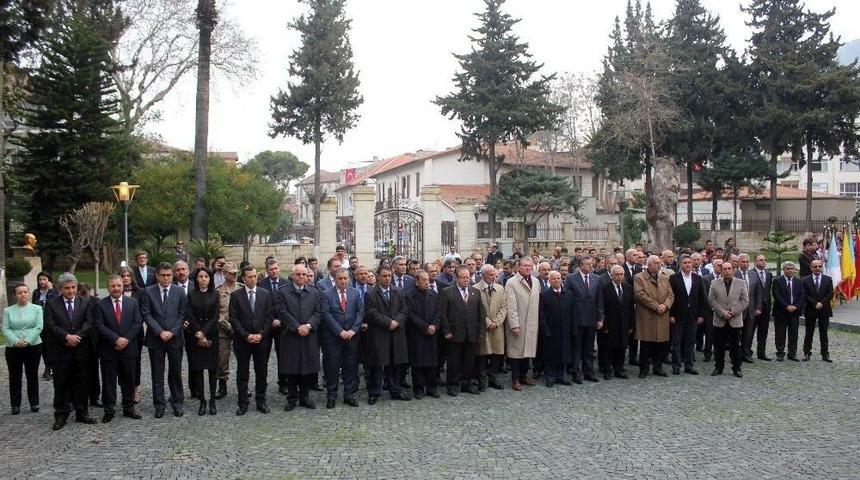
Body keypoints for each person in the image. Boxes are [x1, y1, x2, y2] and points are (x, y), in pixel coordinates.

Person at [43, 272, 97, 430]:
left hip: (80, 349)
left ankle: (82, 412)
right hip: (61, 349)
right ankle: (61, 413)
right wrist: (66, 336)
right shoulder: (52, 304)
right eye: (67, 288)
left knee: (82, 381)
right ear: (60, 289)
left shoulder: (84, 302)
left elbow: (89, 322)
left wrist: (77, 336)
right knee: (61, 382)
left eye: (73, 287)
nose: (71, 291)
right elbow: (50, 325)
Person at [90, 275, 143, 422]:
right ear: (108, 287)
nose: (116, 288)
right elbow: (99, 325)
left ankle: (128, 407)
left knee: (129, 380)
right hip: (109, 349)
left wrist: (126, 339)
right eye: (113, 286)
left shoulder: (133, 303)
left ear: (123, 286)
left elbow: (137, 322)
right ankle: (109, 409)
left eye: (118, 285)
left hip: (129, 348)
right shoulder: (101, 305)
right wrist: (116, 339)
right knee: (109, 381)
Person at [140, 262, 188, 418]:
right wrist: (160, 331)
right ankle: (159, 405)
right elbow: (146, 314)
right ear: (157, 276)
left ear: (172, 275)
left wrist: (172, 332)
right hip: (156, 338)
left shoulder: (179, 291)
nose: (166, 278)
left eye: (169, 275)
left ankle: (177, 402)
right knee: (157, 373)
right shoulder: (148, 292)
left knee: (176, 372)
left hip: (175, 339)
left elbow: (182, 314)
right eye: (163, 275)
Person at [229, 265, 274, 415]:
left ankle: (261, 401)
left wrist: (261, 334)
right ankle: (243, 403)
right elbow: (234, 318)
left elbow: (269, 317)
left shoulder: (265, 294)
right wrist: (246, 335)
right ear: (243, 278)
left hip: (261, 341)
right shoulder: (236, 296)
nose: (253, 279)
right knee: (243, 373)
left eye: (255, 276)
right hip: (243, 341)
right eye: (250, 277)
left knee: (261, 372)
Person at [278, 264, 322, 411]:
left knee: (307, 367)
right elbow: (282, 312)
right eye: (298, 274)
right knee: (291, 368)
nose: (301, 277)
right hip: (291, 335)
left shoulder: (314, 292)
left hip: (309, 335)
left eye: (304, 274)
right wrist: (297, 326)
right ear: (292, 275)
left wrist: (308, 326)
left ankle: (304, 396)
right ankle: (292, 397)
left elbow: (318, 312)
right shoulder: (283, 292)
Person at [363, 266, 410, 404]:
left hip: (396, 333)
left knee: (395, 363)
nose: (387, 278)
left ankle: (395, 390)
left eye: (389, 276)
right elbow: (371, 313)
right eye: (384, 276)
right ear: (378, 276)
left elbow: (404, 309)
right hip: (379, 333)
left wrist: (397, 321)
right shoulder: (370, 294)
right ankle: (374, 392)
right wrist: (388, 322)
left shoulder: (399, 291)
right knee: (377, 365)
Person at [438, 266, 485, 396]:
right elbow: (443, 314)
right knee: (454, 361)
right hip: (454, 334)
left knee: (469, 361)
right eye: (463, 277)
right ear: (456, 278)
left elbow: (481, 313)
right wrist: (446, 331)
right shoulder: (447, 292)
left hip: (471, 334)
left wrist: (481, 332)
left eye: (468, 277)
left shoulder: (475, 292)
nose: (466, 279)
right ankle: (452, 385)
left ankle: (466, 383)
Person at [321, 268, 364, 408]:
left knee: (350, 367)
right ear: (335, 279)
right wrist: (339, 331)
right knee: (332, 367)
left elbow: (360, 312)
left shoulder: (355, 293)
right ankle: (331, 395)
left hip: (351, 337)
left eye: (345, 278)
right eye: (340, 278)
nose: (343, 281)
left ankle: (349, 394)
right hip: (333, 338)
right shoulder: (327, 294)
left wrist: (353, 330)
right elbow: (326, 315)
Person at [4, 283, 43, 415]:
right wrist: (16, 341)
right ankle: (15, 405)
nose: (23, 295)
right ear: (14, 295)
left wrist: (27, 341)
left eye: (25, 292)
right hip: (13, 348)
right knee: (15, 376)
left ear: (28, 293)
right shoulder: (7, 311)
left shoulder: (37, 308)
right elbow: (5, 328)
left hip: (32, 346)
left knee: (32, 375)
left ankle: (34, 402)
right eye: (19, 292)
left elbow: (38, 327)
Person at [633, 256, 674, 379]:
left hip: (662, 315)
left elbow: (671, 294)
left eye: (659, 263)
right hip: (647, 316)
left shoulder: (664, 278)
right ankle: (644, 369)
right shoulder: (639, 277)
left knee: (660, 344)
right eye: (656, 263)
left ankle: (658, 367)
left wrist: (666, 305)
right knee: (646, 344)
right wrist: (656, 306)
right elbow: (640, 295)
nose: (659, 265)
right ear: (649, 264)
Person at [186, 267, 220, 416]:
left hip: (211, 334)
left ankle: (212, 400)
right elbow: (190, 315)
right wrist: (198, 333)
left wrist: (204, 332)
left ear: (210, 279)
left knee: (213, 369)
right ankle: (202, 401)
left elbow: (215, 316)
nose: (203, 279)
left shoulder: (215, 294)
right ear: (196, 279)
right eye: (201, 276)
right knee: (198, 369)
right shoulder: (191, 294)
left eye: (206, 276)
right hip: (196, 335)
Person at [707, 262, 749, 378]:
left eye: (729, 268)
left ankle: (736, 368)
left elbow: (744, 301)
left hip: (735, 320)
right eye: (724, 269)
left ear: (733, 270)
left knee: (735, 346)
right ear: (721, 271)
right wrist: (722, 312)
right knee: (718, 346)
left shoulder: (741, 283)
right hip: (719, 320)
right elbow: (711, 300)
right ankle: (718, 367)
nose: (727, 271)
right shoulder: (714, 283)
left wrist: (733, 311)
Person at [505, 257, 540, 390]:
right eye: (525, 265)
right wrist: (514, 324)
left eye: (530, 266)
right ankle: (515, 379)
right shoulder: (511, 282)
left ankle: (524, 376)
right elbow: (511, 306)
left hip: (531, 322)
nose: (528, 268)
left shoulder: (536, 281)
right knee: (516, 352)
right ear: (519, 267)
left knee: (528, 351)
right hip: (519, 322)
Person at [404, 270, 441, 399]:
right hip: (417, 333)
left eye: (427, 280)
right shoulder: (409, 295)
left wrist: (434, 326)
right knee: (418, 363)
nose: (426, 282)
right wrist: (425, 327)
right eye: (423, 280)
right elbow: (410, 315)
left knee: (432, 362)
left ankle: (432, 388)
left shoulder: (434, 294)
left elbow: (439, 312)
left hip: (432, 333)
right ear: (417, 281)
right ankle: (418, 389)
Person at [668, 255, 706, 376]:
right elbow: (670, 297)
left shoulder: (698, 279)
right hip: (678, 315)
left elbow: (702, 299)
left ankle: (689, 365)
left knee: (690, 341)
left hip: (693, 316)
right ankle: (676, 365)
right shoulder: (673, 278)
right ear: (680, 264)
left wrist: (701, 315)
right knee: (676, 342)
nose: (688, 264)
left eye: (689, 262)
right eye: (685, 262)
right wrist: (671, 314)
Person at [565, 256, 601, 383]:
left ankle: (588, 371)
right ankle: (575, 371)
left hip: (591, 318)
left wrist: (600, 318)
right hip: (576, 319)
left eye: (591, 264)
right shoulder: (571, 278)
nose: (590, 266)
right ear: (580, 266)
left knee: (589, 347)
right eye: (587, 264)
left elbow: (599, 300)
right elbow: (567, 299)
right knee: (576, 347)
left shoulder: (597, 279)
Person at [597, 266, 633, 380]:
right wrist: (604, 325)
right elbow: (601, 308)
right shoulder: (605, 289)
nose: (619, 276)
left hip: (624, 324)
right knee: (608, 348)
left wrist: (631, 325)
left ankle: (619, 369)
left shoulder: (628, 288)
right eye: (616, 274)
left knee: (621, 348)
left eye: (621, 274)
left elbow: (631, 308)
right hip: (610, 324)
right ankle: (607, 370)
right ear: (611, 276)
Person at [539, 271, 575, 387]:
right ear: (549, 280)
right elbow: (542, 314)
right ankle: (551, 376)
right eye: (554, 279)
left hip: (565, 330)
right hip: (551, 330)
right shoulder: (544, 295)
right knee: (551, 354)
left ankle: (561, 375)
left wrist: (573, 328)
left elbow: (573, 313)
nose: (556, 281)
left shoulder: (568, 294)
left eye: (558, 278)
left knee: (564, 353)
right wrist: (545, 329)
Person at [474, 264, 507, 390]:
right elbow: (476, 309)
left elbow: (504, 307)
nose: (494, 277)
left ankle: (493, 376)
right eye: (490, 275)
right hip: (483, 327)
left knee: (496, 354)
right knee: (482, 353)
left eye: (495, 274)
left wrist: (497, 322)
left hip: (497, 327)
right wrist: (488, 322)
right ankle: (482, 378)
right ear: (483, 275)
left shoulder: (500, 288)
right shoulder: (475, 289)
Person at [258, 259, 287, 395]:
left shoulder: (286, 283)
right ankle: (262, 383)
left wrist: (280, 320)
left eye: (276, 268)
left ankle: (283, 383)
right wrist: (271, 321)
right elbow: (260, 309)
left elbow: (288, 306)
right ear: (267, 271)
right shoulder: (261, 285)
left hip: (283, 326)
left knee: (283, 356)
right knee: (263, 357)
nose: (274, 271)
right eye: (271, 269)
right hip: (266, 327)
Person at [116, 266, 144, 404]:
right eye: (123, 276)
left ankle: (135, 389)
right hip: (119, 333)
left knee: (135, 362)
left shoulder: (140, 292)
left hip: (136, 333)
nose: (126, 278)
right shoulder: (116, 292)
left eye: (128, 275)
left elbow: (143, 313)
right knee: (121, 362)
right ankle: (124, 390)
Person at [215, 263, 240, 399]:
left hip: (240, 331)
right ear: (224, 274)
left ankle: (244, 385)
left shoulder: (241, 288)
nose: (235, 275)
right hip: (223, 331)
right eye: (231, 273)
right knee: (222, 361)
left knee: (243, 360)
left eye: (236, 272)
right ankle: (222, 386)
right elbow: (216, 313)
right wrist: (229, 327)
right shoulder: (218, 291)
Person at [801, 260, 833, 362]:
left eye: (820, 266)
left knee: (824, 333)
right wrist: (815, 303)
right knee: (809, 332)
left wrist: (822, 303)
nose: (817, 268)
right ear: (811, 268)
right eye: (815, 267)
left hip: (824, 309)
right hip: (811, 309)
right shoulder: (805, 280)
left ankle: (825, 354)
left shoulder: (827, 279)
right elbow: (804, 294)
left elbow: (830, 293)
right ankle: (807, 353)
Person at [772, 261, 805, 362]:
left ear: (794, 270)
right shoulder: (778, 281)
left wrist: (796, 306)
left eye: (792, 269)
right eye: (788, 269)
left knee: (793, 334)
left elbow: (802, 295)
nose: (790, 271)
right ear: (784, 270)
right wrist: (787, 306)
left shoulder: (798, 281)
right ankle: (780, 353)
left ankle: (792, 353)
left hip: (794, 312)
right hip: (781, 311)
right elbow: (776, 295)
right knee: (780, 333)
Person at [735, 254, 764, 363]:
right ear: (738, 262)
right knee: (736, 334)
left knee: (748, 334)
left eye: (747, 262)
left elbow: (758, 292)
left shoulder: (753, 274)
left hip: (751, 309)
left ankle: (745, 353)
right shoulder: (734, 273)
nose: (745, 264)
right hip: (737, 310)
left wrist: (758, 307)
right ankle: (735, 354)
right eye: (743, 262)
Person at [32, 271, 58, 381]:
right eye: (40, 279)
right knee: (42, 347)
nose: (42, 282)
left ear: (49, 280)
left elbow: (54, 304)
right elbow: (33, 306)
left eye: (44, 279)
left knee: (51, 347)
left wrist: (51, 290)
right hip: (39, 323)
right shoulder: (36, 292)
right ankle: (47, 367)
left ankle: (50, 368)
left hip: (50, 323)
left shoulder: (54, 291)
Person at [752, 255, 774, 361]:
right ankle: (746, 352)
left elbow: (767, 290)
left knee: (763, 331)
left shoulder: (768, 274)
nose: (763, 262)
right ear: (755, 262)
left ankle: (761, 352)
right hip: (754, 308)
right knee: (750, 331)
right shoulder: (751, 274)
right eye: (761, 260)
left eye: (765, 260)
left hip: (765, 308)